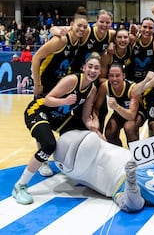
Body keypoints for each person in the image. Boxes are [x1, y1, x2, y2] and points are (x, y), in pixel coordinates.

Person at [12, 53, 102, 205]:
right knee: (49, 145)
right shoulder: (72, 80)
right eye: (90, 67)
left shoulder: (92, 90)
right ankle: (20, 186)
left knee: (83, 132)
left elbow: (86, 116)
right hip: (38, 110)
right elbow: (47, 100)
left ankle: (72, 169)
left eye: (96, 68)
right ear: (83, 68)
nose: (93, 70)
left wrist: (94, 128)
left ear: (100, 72)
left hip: (58, 117)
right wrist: (64, 101)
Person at [30, 7, 89, 177]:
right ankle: (43, 162)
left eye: (85, 27)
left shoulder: (78, 41)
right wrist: (36, 84)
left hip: (57, 85)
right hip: (44, 85)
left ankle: (63, 157)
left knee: (60, 117)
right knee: (43, 121)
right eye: (79, 26)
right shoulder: (61, 40)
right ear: (71, 25)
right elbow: (36, 58)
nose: (82, 29)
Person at [93, 63, 139, 146]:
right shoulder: (105, 86)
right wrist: (95, 119)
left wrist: (116, 107)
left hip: (136, 113)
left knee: (129, 128)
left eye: (117, 75)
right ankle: (120, 154)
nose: (114, 79)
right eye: (111, 76)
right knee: (109, 132)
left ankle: (137, 156)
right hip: (120, 112)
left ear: (123, 76)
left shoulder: (133, 88)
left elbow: (131, 115)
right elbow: (96, 107)